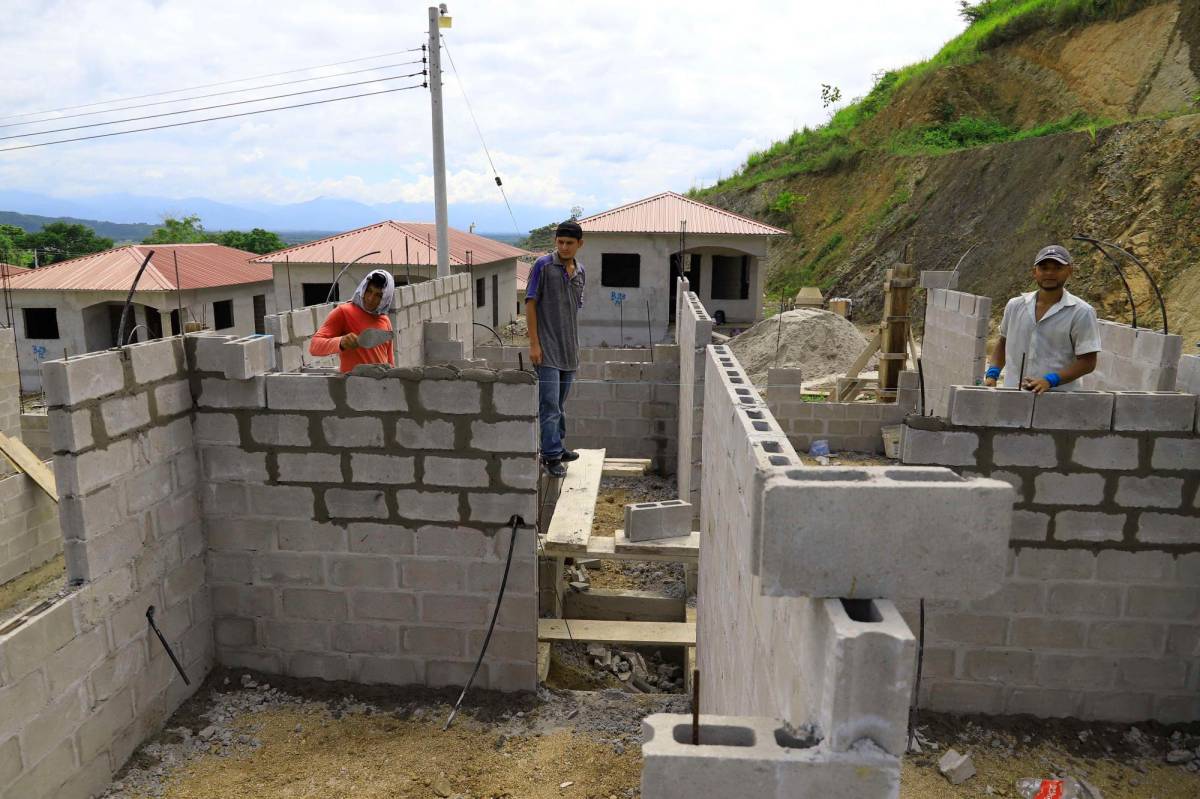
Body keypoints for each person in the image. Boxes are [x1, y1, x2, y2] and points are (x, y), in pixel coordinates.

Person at [984, 244, 1100, 394]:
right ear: (1035, 272)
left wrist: (1050, 380)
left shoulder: (1081, 312)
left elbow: (1088, 362)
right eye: (1044, 268)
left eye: (1057, 268)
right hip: (1013, 396)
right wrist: (992, 374)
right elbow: (1003, 342)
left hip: (1057, 400)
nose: (1050, 273)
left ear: (1069, 271)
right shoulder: (1015, 306)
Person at [527, 221, 586, 477]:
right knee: (549, 405)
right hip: (547, 349)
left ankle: (559, 447)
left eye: (569, 243)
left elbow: (573, 309)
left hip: (569, 349)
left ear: (579, 245)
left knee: (560, 404)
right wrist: (534, 344)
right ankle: (550, 456)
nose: (563, 247)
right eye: (560, 242)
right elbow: (530, 303)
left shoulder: (580, 272)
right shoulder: (543, 265)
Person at [310, 269, 395, 373]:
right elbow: (314, 346)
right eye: (369, 290)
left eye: (378, 295)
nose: (370, 298)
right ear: (363, 288)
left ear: (386, 299)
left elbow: (390, 362)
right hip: (352, 386)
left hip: (380, 387)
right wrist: (341, 342)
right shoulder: (344, 312)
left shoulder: (385, 321)